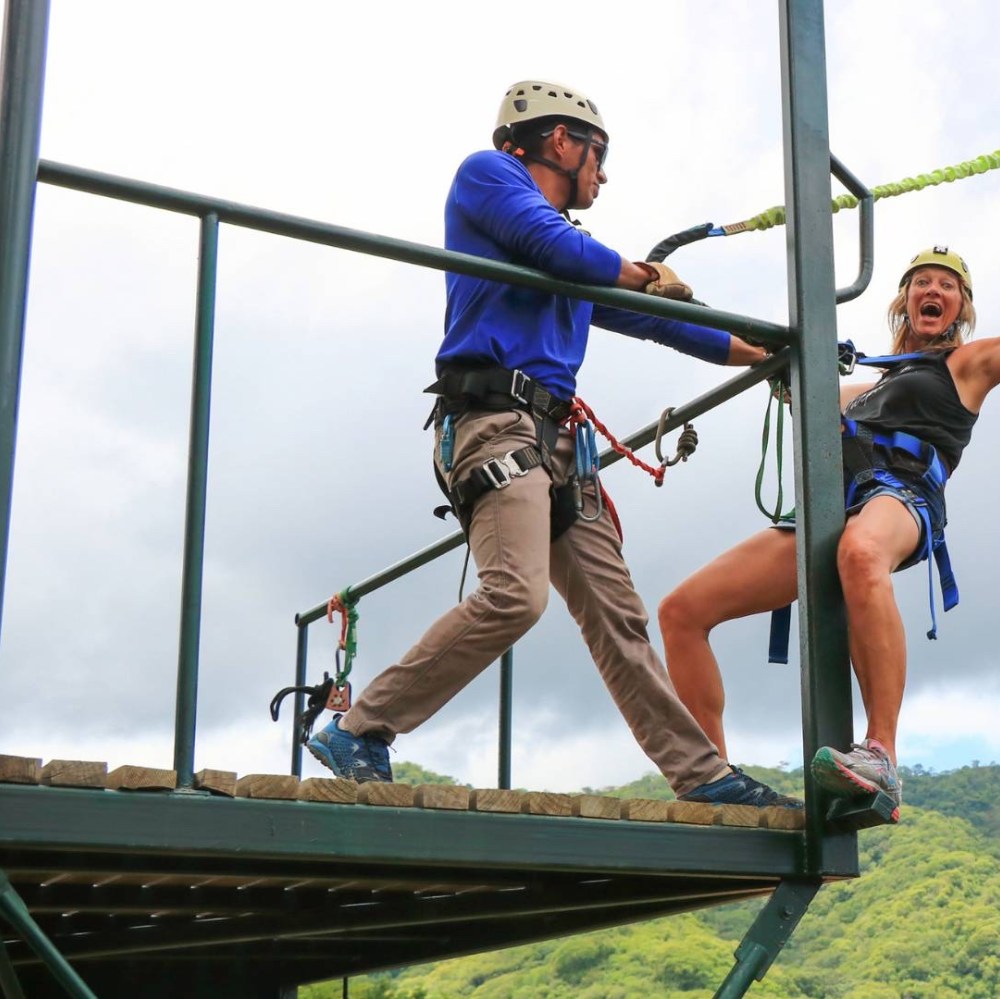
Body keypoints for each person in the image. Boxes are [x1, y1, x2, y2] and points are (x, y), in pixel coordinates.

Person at [307, 80, 797, 809]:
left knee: (617, 615)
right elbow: (558, 247)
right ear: (558, 140)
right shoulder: (488, 175)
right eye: (597, 153)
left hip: (554, 445)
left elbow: (653, 319)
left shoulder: (573, 254)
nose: (602, 171)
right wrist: (643, 274)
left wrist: (765, 351)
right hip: (493, 424)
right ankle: (363, 725)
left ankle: (701, 776)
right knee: (515, 594)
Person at [657, 238, 1000, 818]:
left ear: (962, 308)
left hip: (900, 497)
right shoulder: (869, 384)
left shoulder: (966, 365)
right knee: (681, 611)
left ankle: (881, 755)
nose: (934, 291)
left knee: (861, 554)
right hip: (831, 509)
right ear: (904, 300)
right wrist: (772, 360)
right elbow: (803, 396)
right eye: (923, 281)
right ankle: (712, 780)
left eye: (947, 285)